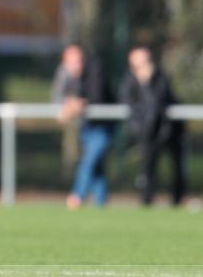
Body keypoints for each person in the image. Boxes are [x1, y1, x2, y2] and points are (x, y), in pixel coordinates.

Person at [119, 46, 186, 206]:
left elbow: (159, 102)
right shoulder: (129, 80)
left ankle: (177, 201)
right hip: (147, 133)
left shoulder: (161, 77)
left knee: (177, 168)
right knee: (147, 168)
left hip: (170, 130)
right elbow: (127, 101)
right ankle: (146, 201)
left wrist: (148, 84)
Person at [54, 44, 116, 209]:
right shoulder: (65, 72)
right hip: (87, 125)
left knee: (88, 162)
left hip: (104, 126)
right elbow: (58, 97)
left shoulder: (96, 69)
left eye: (78, 61)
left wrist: (76, 104)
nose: (76, 66)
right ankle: (101, 205)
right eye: (71, 62)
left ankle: (77, 196)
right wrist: (68, 105)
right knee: (97, 169)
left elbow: (94, 98)